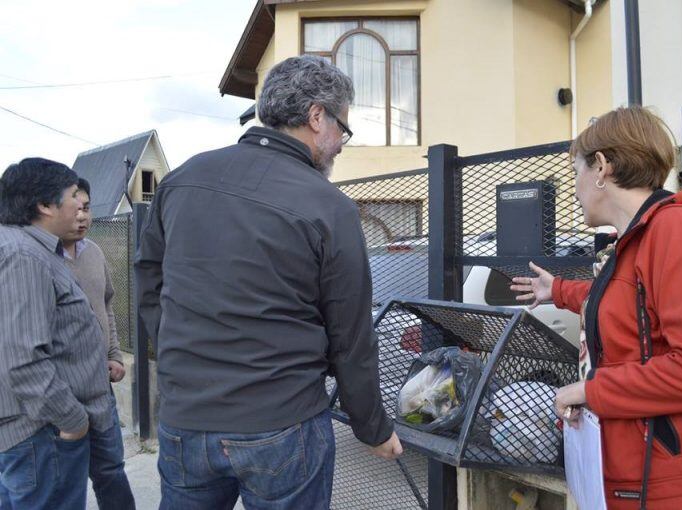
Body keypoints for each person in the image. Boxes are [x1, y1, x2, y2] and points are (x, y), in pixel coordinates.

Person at [135, 55, 402, 510]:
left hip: (186, 421)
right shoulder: (329, 206)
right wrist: (372, 428)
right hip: (282, 425)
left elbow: (148, 280)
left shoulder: (182, 180)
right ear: (317, 117)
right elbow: (351, 337)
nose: (340, 143)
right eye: (342, 129)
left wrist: (182, 355)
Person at [510, 106, 682, 509]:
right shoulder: (641, 237)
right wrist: (558, 289)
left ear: (601, 167)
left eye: (576, 171)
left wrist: (591, 391)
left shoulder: (678, 231)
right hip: (655, 482)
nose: (575, 189)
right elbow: (626, 304)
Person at [0, 158, 113, 509]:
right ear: (45, 206)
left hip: (40, 430)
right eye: (71, 196)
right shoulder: (24, 256)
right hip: (42, 433)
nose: (80, 204)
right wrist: (73, 421)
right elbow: (23, 359)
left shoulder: (30, 249)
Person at [60, 177, 136, 509]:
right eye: (74, 209)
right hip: (61, 391)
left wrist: (115, 354)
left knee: (110, 471)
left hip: (100, 387)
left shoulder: (94, 251)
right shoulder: (35, 258)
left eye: (87, 209)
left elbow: (107, 305)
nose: (82, 217)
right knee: (64, 481)